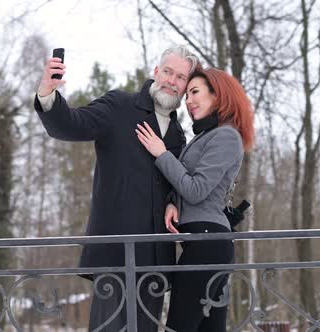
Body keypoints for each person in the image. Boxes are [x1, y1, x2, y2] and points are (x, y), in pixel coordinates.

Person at [34, 46, 199, 331]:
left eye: (181, 77)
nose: (172, 80)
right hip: (115, 255)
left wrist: (174, 201)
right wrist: (48, 95)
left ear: (185, 87)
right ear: (156, 72)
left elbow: (175, 182)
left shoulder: (178, 134)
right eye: (168, 72)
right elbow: (73, 124)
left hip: (156, 261)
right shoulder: (119, 106)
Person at [136, 67, 254, 331]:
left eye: (195, 92)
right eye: (187, 95)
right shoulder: (205, 136)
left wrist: (162, 154)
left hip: (208, 244)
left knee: (180, 325)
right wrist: (171, 203)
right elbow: (190, 188)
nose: (188, 101)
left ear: (218, 95)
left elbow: (197, 189)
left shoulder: (226, 136)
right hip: (201, 242)